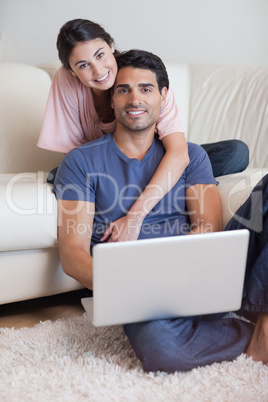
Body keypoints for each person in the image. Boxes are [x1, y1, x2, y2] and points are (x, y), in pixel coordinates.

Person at [54, 49, 268, 372]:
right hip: (142, 294)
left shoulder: (192, 157)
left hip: (202, 273)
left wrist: (188, 271)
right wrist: (132, 284)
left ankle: (259, 317)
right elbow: (73, 255)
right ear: (111, 100)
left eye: (146, 89)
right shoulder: (80, 162)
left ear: (163, 97)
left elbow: (208, 231)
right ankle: (250, 337)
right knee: (162, 347)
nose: (134, 99)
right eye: (123, 90)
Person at [38, 18, 249, 243]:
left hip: (149, 156)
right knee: (63, 172)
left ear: (111, 46)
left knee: (229, 152)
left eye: (100, 55)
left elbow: (178, 152)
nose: (98, 70)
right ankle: (162, 179)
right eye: (83, 65)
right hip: (100, 163)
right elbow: (75, 154)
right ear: (71, 71)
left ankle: (169, 177)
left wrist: (136, 215)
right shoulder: (66, 82)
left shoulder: (139, 75)